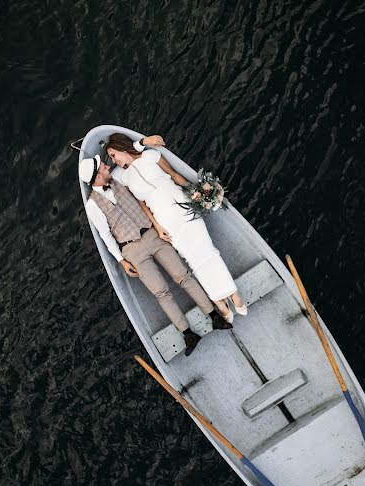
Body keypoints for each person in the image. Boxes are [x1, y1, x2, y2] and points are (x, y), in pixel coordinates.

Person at [79, 141, 231, 356]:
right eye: (102, 167)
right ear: (96, 177)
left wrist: (141, 142)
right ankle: (188, 333)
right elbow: (105, 235)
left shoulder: (117, 179)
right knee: (161, 292)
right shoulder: (92, 205)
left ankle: (213, 315)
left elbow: (131, 156)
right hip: (132, 250)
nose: (106, 165)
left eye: (106, 162)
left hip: (151, 234)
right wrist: (122, 261)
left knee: (183, 275)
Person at [105, 133, 247, 320]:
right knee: (191, 259)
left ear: (122, 148)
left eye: (113, 155)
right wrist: (156, 226)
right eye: (111, 158)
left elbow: (174, 174)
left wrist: (197, 192)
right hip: (163, 217)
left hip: (180, 203)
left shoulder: (151, 155)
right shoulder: (122, 176)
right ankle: (218, 300)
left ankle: (233, 294)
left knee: (207, 250)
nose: (113, 160)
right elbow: (141, 204)